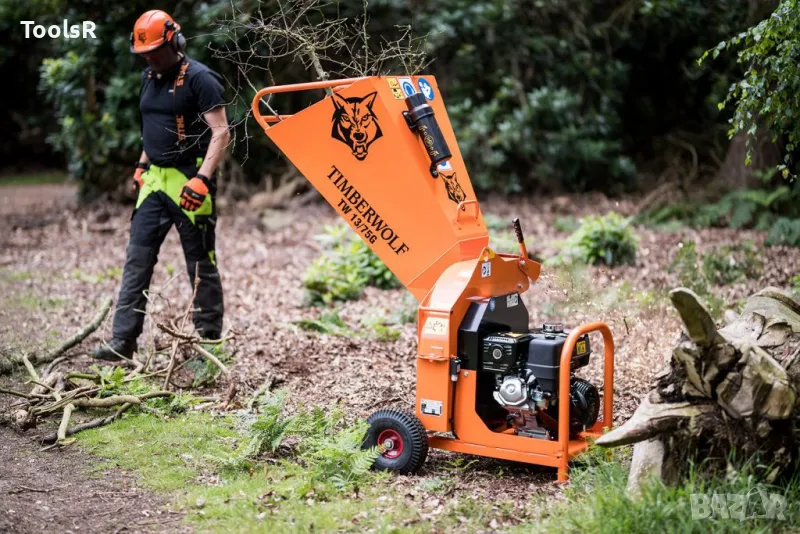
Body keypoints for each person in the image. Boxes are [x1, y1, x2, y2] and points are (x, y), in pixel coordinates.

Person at [92, 9, 230, 360]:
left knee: (200, 264)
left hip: (189, 180)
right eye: (144, 53)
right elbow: (152, 126)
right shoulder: (148, 78)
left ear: (174, 41)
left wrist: (203, 179)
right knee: (136, 261)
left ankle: (209, 345)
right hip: (154, 182)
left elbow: (221, 131)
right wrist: (141, 164)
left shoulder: (201, 78)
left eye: (155, 50)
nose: (150, 57)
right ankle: (123, 342)